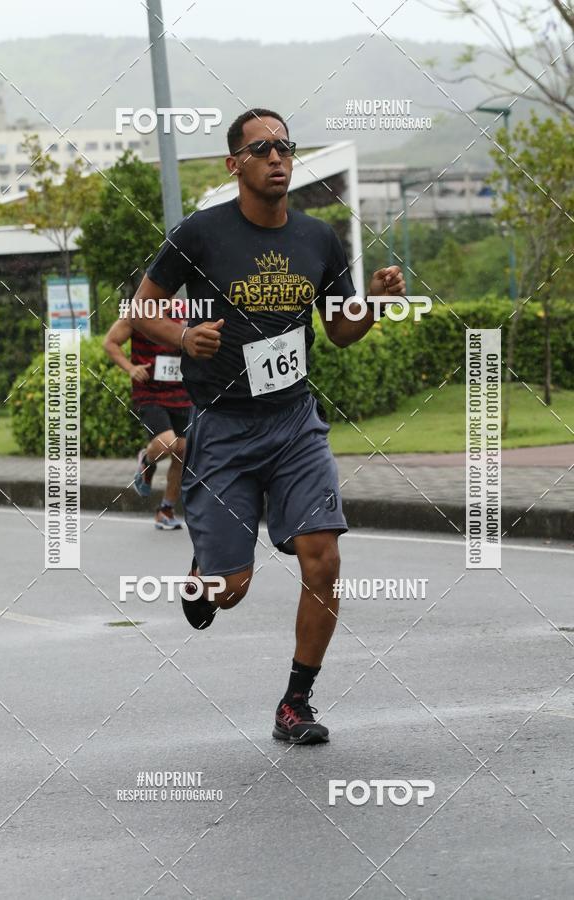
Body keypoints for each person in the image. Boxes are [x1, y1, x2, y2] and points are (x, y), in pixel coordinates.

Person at [131, 108, 406, 743]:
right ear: (235, 164)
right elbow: (141, 309)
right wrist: (183, 336)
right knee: (231, 589)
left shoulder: (318, 238)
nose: (277, 157)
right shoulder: (200, 233)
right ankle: (207, 572)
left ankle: (295, 703)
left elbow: (339, 330)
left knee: (323, 558)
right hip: (223, 428)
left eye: (285, 146)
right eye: (261, 149)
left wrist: (374, 304)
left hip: (294, 423)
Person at [103, 300, 191, 530]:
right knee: (167, 443)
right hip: (150, 393)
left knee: (182, 451)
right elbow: (110, 342)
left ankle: (166, 510)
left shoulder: (187, 309)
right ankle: (146, 461)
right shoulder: (139, 311)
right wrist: (131, 368)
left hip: (182, 392)